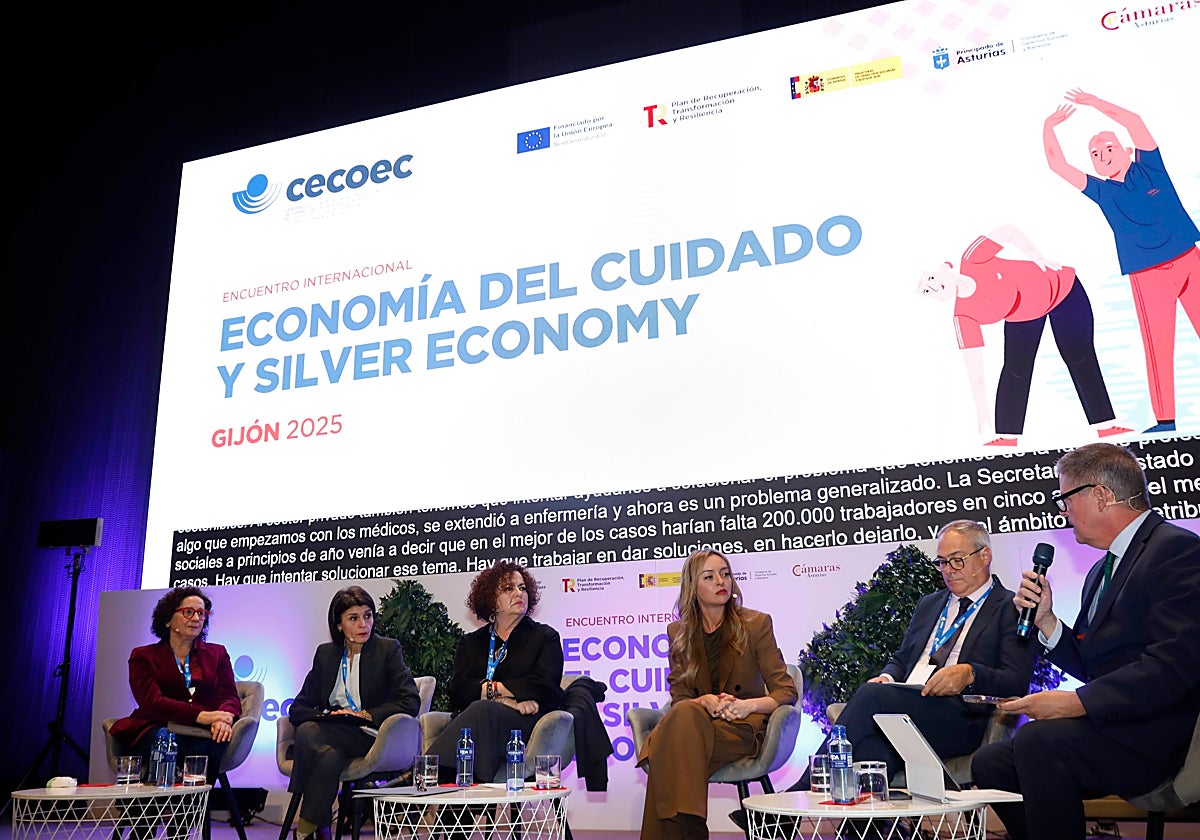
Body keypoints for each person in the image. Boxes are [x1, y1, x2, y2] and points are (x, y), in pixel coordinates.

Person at [972, 442, 1200, 840]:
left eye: (1064, 500)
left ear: (1100, 495)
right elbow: (1092, 665)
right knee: (991, 762)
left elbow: (1174, 665)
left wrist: (1075, 703)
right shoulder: (1100, 570)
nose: (1062, 513)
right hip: (1109, 729)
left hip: (1156, 737)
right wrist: (1046, 622)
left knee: (1038, 741)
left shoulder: (1176, 551)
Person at [786, 520, 1037, 791]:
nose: (948, 571)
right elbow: (903, 658)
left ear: (985, 556)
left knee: (871, 698)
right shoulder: (929, 604)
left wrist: (970, 673)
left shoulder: (1010, 608)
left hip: (958, 717)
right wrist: (887, 676)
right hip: (906, 704)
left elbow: (1015, 681)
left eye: (957, 561)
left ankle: (803, 788)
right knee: (873, 750)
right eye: (941, 562)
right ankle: (866, 830)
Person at [1043, 89, 1200, 433]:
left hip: (1190, 260)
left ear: (1128, 151)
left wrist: (1095, 103)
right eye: (1095, 153)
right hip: (1148, 276)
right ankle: (1166, 421)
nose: (1103, 155)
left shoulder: (1151, 169)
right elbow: (1057, 164)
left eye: (1109, 147)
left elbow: (1134, 122)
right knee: (1158, 346)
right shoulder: (1102, 191)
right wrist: (1049, 126)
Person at [918, 224, 1130, 447]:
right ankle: (1008, 437)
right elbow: (975, 368)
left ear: (944, 268)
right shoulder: (963, 316)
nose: (932, 287)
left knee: (1080, 355)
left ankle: (1106, 426)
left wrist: (1038, 257)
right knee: (1016, 367)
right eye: (926, 291)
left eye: (930, 279)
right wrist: (981, 410)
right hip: (1024, 314)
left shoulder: (972, 258)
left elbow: (1008, 231)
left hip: (1064, 289)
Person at [638, 549, 797, 840]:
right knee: (685, 715)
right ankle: (691, 824)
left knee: (665, 750)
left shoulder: (756, 624)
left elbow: (786, 691)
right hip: (695, 726)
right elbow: (681, 696)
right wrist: (704, 702)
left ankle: (691, 828)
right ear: (692, 587)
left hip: (739, 729)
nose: (721, 581)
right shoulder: (679, 631)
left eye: (725, 573)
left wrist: (748, 706)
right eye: (709, 576)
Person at [288, 586, 421, 840]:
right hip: (333, 734)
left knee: (307, 732)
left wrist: (368, 714)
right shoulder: (326, 655)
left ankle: (309, 826)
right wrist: (329, 716)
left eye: (368, 616)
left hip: (371, 736)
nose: (363, 624)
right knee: (328, 755)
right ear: (339, 625)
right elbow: (298, 707)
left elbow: (410, 701)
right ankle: (316, 829)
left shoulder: (387, 650)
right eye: (353, 618)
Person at [428, 561, 565, 782]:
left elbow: (544, 685)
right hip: (483, 720)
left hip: (526, 725)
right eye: (509, 589)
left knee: (483, 710)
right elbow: (458, 691)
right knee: (482, 713)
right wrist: (505, 700)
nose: (519, 593)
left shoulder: (544, 637)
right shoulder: (471, 642)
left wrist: (492, 693)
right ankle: (455, 798)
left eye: (522, 588)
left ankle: (430, 775)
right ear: (491, 599)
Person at [109, 586, 242, 782]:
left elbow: (229, 696)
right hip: (157, 726)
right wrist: (202, 715)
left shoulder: (217, 653)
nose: (196, 618)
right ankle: (155, 808)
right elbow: (152, 702)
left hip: (201, 732)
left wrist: (224, 718)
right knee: (165, 741)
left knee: (213, 743)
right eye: (188, 612)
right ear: (168, 619)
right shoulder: (143, 656)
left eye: (201, 613)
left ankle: (195, 810)